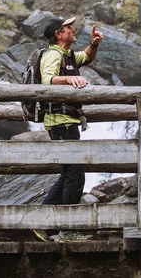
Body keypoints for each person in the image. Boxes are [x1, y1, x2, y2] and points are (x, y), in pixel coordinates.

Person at [33, 14, 103, 241]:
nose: (73, 29)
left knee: (68, 174)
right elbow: (48, 80)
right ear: (58, 34)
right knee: (75, 175)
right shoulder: (53, 54)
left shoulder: (68, 55)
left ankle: (43, 224)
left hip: (67, 121)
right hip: (60, 121)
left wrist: (93, 44)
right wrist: (69, 80)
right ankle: (68, 229)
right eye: (68, 28)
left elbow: (87, 58)